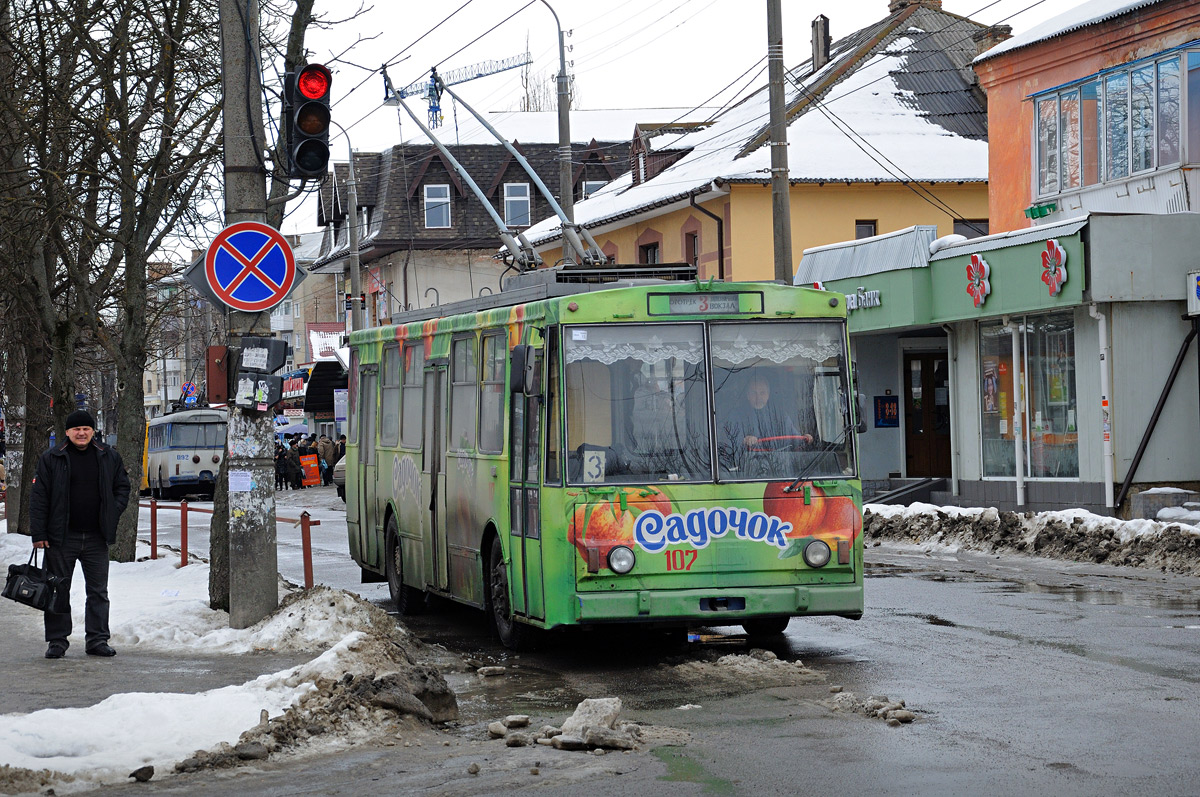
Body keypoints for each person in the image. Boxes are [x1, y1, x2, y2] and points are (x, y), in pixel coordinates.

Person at [30, 409, 130, 659]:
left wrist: (112, 512)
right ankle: (57, 641)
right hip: (61, 537)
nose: (82, 433)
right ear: (67, 432)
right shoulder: (52, 458)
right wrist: (39, 533)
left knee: (98, 591)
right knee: (57, 590)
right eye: (76, 429)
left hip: (97, 536)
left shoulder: (108, 456)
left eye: (86, 429)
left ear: (92, 431)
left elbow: (122, 487)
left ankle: (97, 640)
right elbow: (39, 497)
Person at [720, 375, 812, 456]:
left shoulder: (780, 415)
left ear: (768, 395)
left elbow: (794, 438)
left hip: (779, 464)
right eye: (754, 393)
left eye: (762, 393)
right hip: (747, 466)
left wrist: (805, 438)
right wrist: (744, 440)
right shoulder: (736, 416)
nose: (758, 398)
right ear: (748, 395)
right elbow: (730, 442)